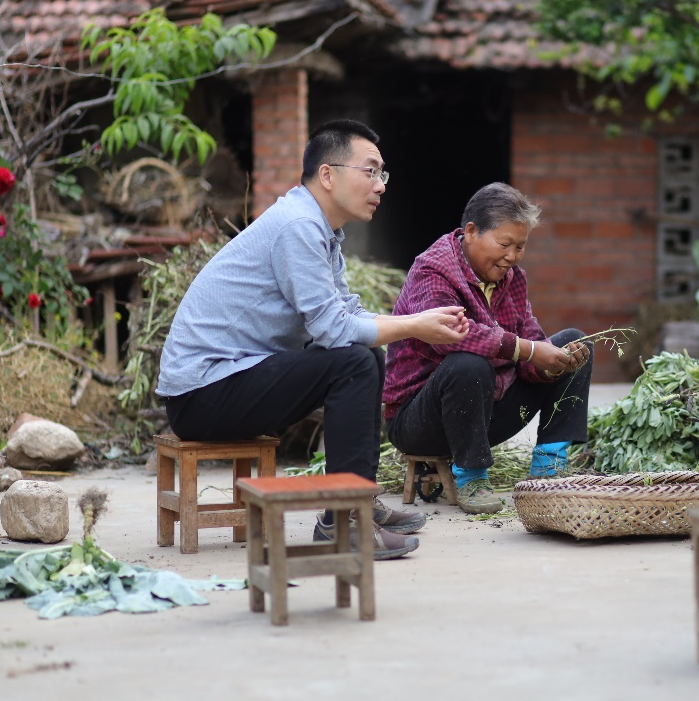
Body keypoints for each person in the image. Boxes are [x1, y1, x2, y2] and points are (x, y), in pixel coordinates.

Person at [156, 119, 470, 560]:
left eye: (383, 174)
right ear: (328, 174)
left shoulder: (322, 231)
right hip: (201, 393)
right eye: (370, 171)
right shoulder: (298, 226)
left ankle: (355, 501)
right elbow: (334, 330)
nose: (380, 185)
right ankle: (345, 522)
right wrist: (415, 325)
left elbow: (347, 314)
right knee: (354, 361)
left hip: (229, 381)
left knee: (364, 355)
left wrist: (414, 320)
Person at [383, 182, 593, 514]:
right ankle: (472, 478)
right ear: (470, 231)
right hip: (421, 422)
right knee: (468, 362)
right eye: (505, 244)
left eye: (521, 247)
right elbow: (453, 337)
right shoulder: (433, 270)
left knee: (572, 344)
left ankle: (549, 465)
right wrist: (529, 350)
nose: (512, 256)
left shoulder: (513, 279)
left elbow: (530, 347)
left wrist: (549, 364)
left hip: (484, 416)